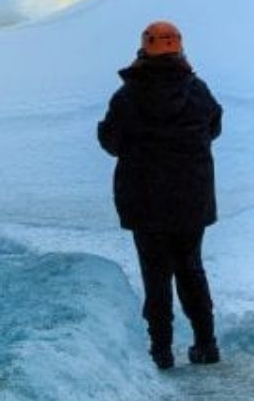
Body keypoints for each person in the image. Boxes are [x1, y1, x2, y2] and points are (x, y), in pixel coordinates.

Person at [97, 19, 224, 370]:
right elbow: (214, 126)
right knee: (190, 268)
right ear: (179, 49)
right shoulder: (197, 90)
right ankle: (206, 344)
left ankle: (161, 351)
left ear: (144, 50)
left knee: (156, 276)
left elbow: (111, 141)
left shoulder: (128, 97)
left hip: (145, 200)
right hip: (192, 200)